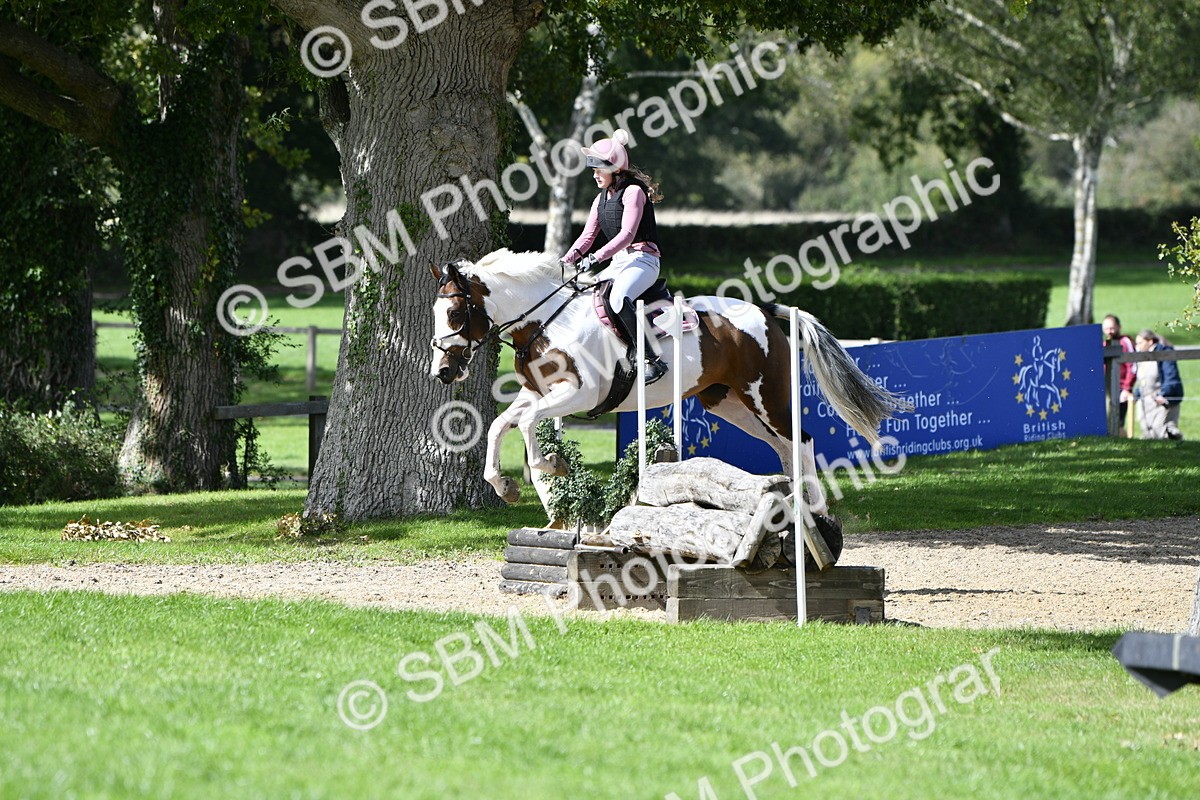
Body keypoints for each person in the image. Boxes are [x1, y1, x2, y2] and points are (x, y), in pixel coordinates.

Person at [562, 129, 669, 384]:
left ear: (614, 169)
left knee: (619, 298)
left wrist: (595, 258)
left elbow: (627, 235)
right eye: (594, 170)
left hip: (643, 260)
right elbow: (587, 236)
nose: (595, 175)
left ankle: (651, 359)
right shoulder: (600, 199)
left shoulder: (634, 192)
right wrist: (566, 261)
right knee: (585, 298)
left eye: (599, 169)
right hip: (619, 262)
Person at [1134, 328, 1184, 440]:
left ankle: (1175, 445)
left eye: (1140, 343)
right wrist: (1136, 394)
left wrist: (1164, 394)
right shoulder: (1141, 357)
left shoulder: (1163, 354)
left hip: (1159, 400)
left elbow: (1171, 376)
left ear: (1150, 341)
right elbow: (1142, 380)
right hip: (1145, 400)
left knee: (1159, 431)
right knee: (1147, 430)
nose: (1137, 346)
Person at [1102, 314, 1136, 435]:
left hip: (1121, 388)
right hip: (1106, 390)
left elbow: (1133, 366)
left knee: (1118, 422)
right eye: (1106, 328)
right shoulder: (1104, 344)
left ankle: (1123, 445)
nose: (1109, 332)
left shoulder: (1125, 342)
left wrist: (1127, 388)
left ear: (1119, 327)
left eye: (1112, 328)